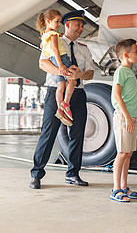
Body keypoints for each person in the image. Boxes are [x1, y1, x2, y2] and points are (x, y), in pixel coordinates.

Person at [29, 10, 94, 189]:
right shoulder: (53, 39)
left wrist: (79, 74)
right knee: (48, 134)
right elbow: (42, 63)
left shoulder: (84, 49)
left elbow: (90, 73)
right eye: (78, 24)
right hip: (55, 91)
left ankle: (72, 174)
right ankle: (36, 174)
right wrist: (62, 72)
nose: (81, 28)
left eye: (82, 25)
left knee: (77, 135)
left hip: (78, 94)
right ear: (67, 24)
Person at [110, 38, 137, 202]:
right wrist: (127, 117)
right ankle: (115, 189)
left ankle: (124, 186)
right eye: (136, 51)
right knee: (122, 153)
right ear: (125, 55)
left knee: (129, 153)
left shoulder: (130, 72)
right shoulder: (121, 71)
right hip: (124, 118)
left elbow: (131, 97)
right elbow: (117, 95)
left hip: (133, 116)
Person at [36, 9, 76, 126]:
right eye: (57, 21)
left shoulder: (44, 35)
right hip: (61, 58)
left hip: (52, 60)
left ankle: (60, 109)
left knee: (61, 86)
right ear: (48, 21)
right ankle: (66, 104)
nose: (59, 25)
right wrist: (61, 65)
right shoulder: (53, 34)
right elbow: (55, 49)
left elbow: (43, 46)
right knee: (72, 81)